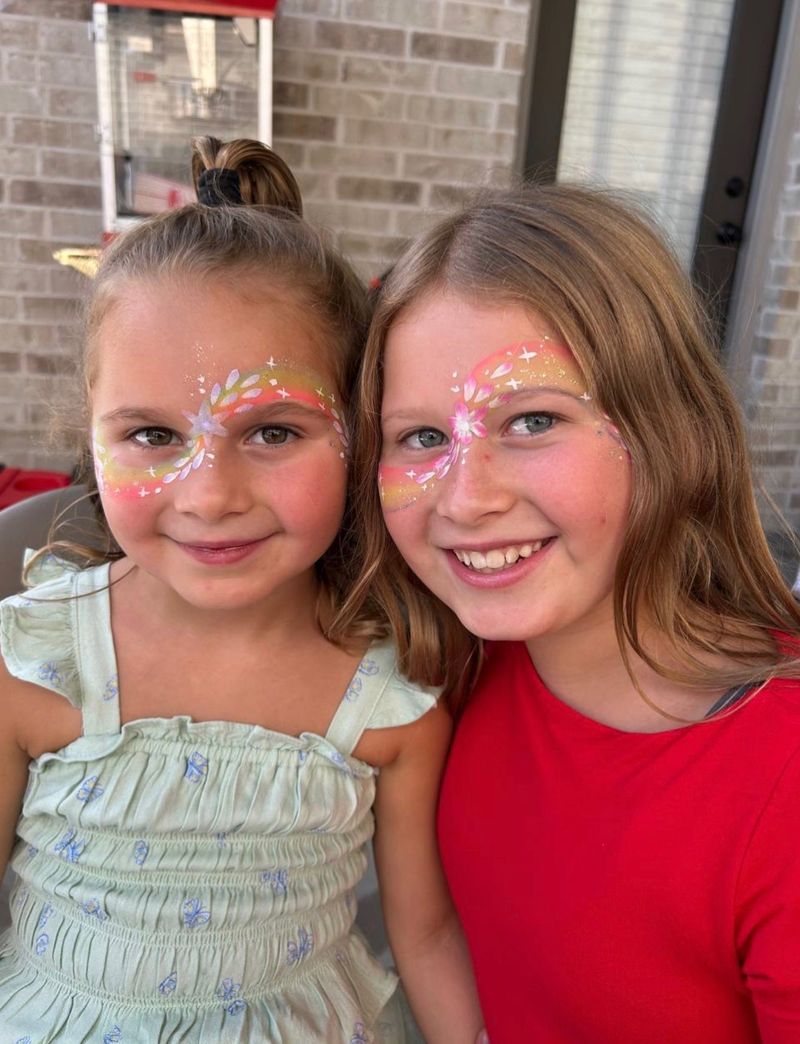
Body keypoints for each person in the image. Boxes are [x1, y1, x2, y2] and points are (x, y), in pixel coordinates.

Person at [0, 136, 484, 1043]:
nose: (212, 495)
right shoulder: (30, 669)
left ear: (360, 431)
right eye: (150, 435)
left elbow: (424, 936)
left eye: (272, 431)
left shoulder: (391, 698)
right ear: (90, 434)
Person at [346, 183, 800, 1043]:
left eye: (533, 419)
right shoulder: (457, 664)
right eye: (422, 438)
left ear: (674, 430)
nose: (466, 498)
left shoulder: (784, 787)